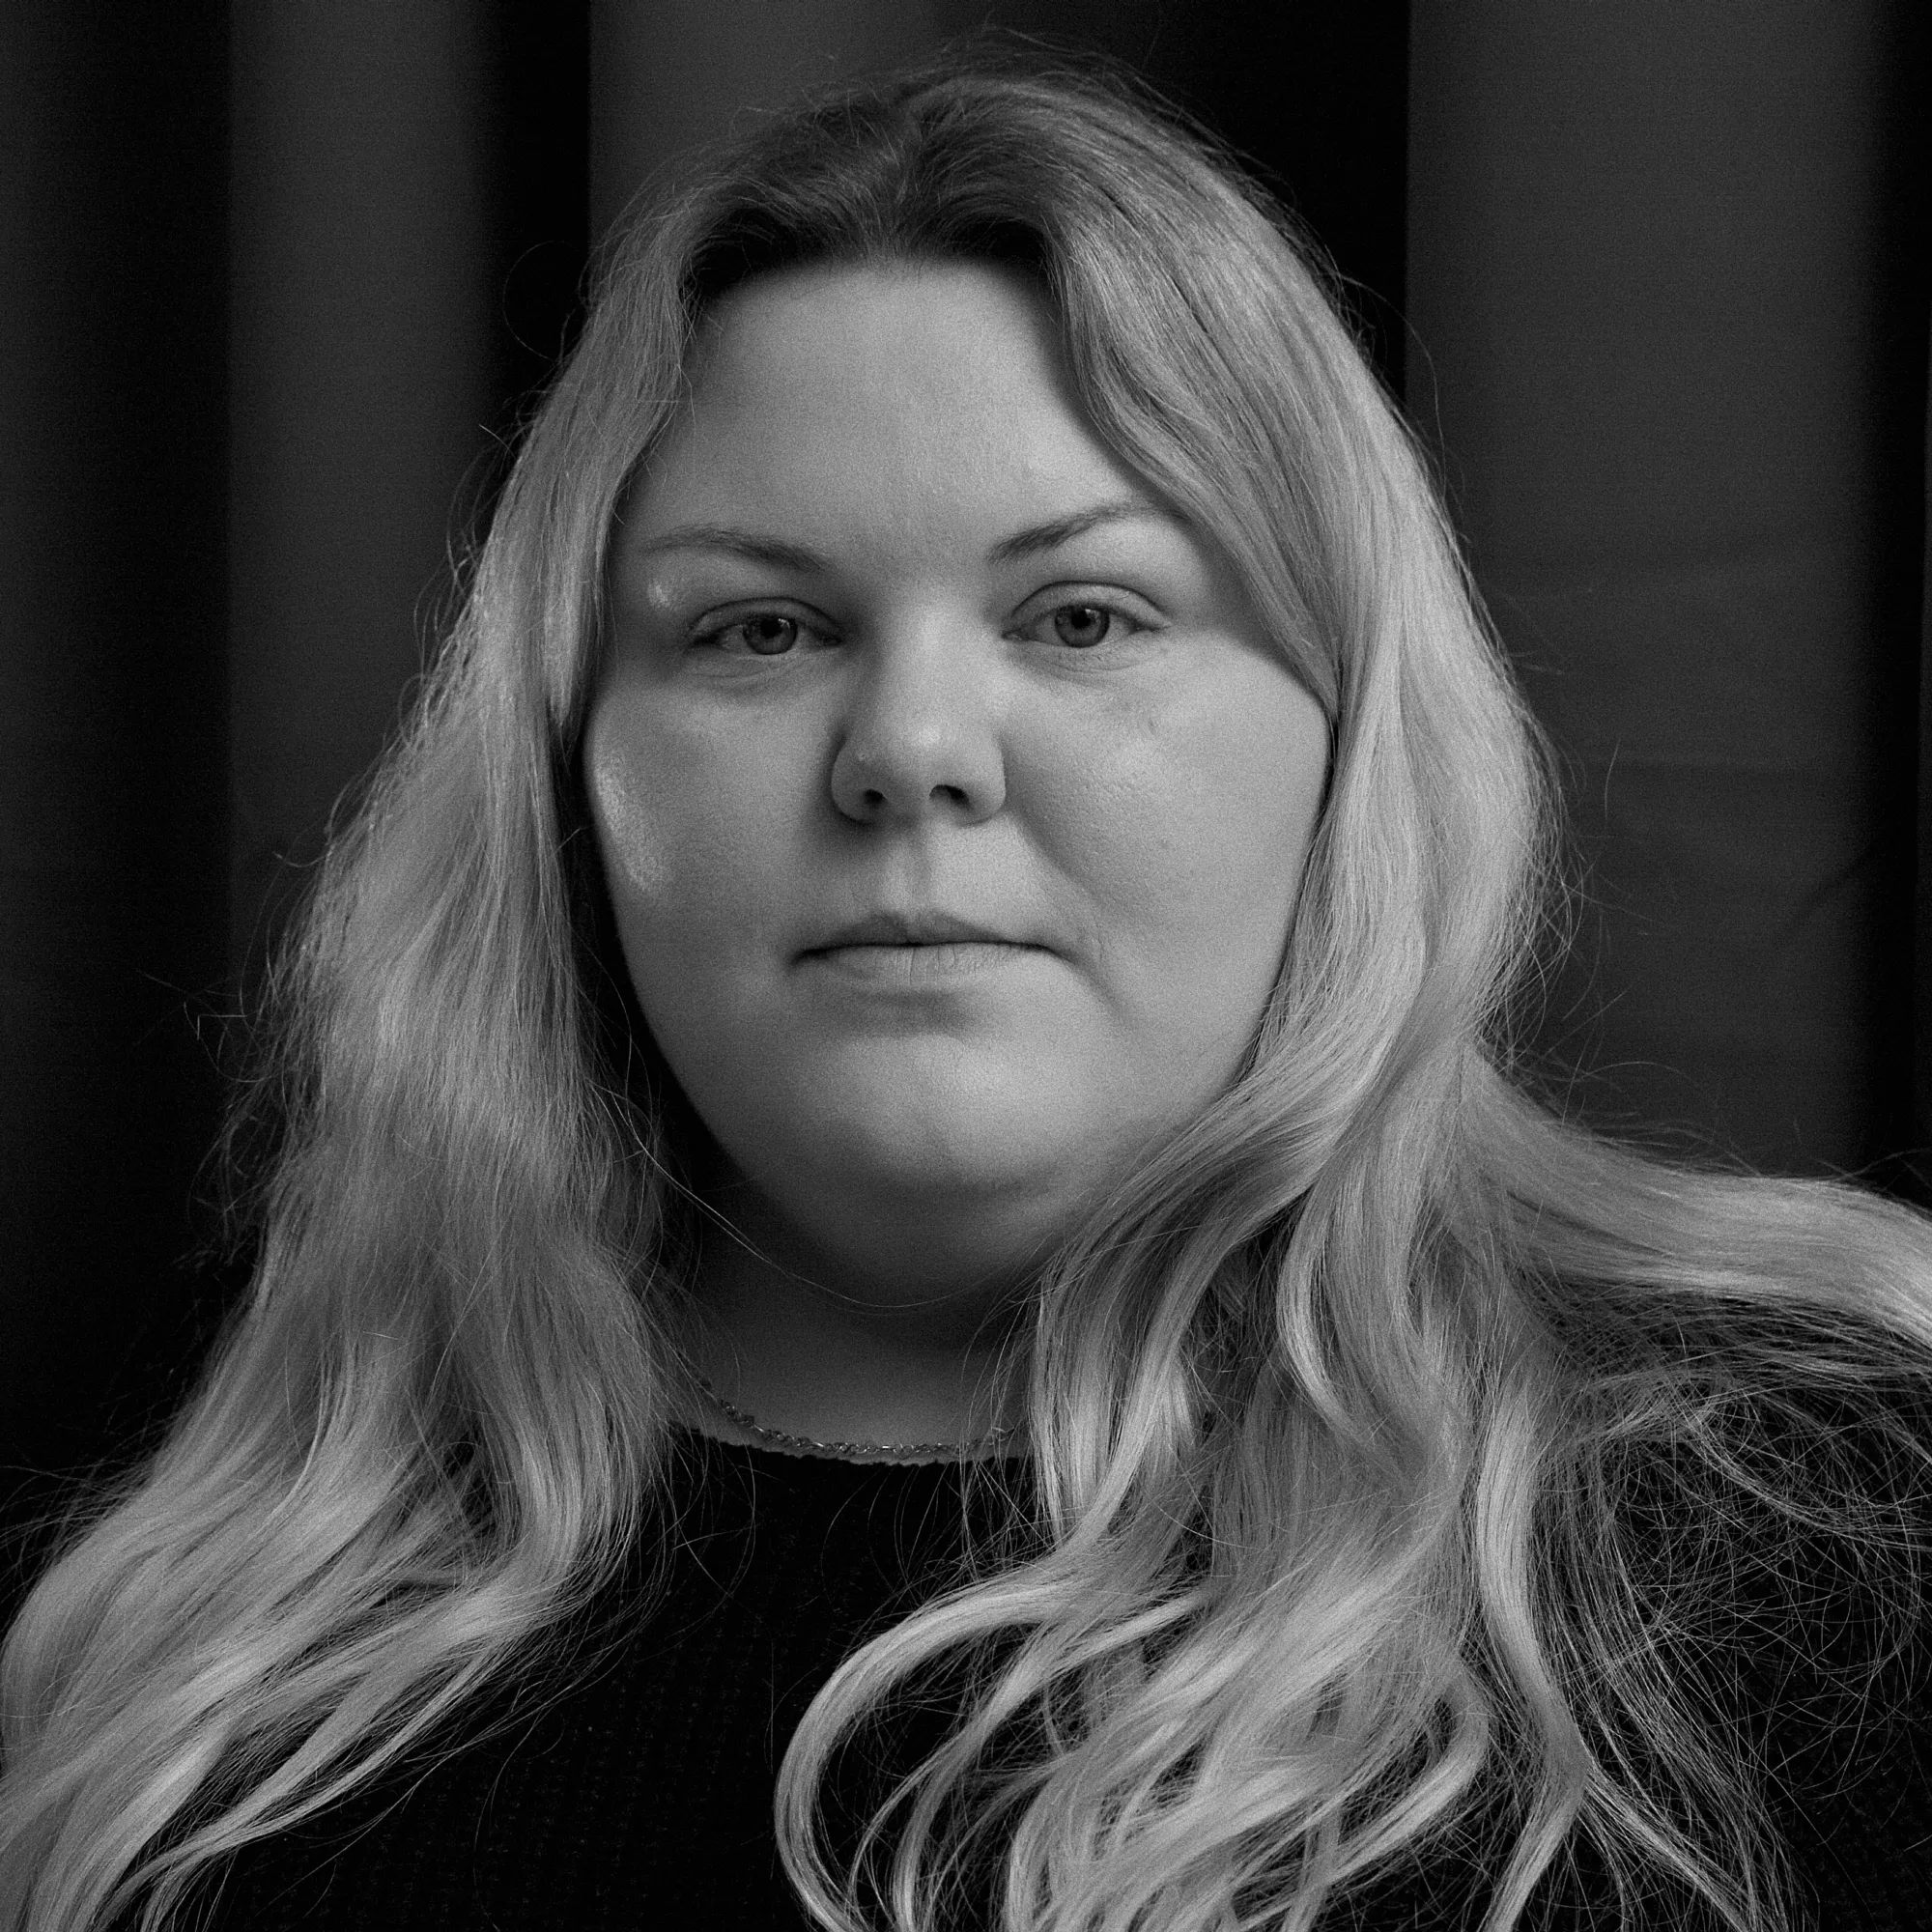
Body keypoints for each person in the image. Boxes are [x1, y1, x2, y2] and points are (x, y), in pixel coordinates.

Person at [4, 47, 1930, 1932]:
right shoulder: (231, 1548)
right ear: (567, 769)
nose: (910, 751)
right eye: (760, 627)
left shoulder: (1828, 1519)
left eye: (1082, 615)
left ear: (1350, 748)